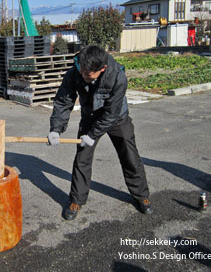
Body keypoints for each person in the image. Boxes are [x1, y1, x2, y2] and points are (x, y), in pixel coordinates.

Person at [47, 45, 152, 221]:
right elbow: (64, 100)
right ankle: (76, 200)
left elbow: (111, 113)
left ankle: (141, 195)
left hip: (117, 117)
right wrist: (56, 129)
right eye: (82, 71)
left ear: (102, 69)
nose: (84, 77)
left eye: (88, 75)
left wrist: (93, 135)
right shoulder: (76, 71)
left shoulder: (117, 76)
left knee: (129, 156)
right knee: (82, 159)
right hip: (90, 117)